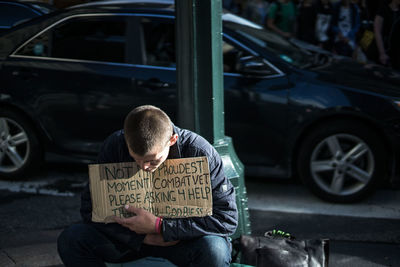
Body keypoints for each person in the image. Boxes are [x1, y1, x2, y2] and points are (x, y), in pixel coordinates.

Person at [57, 105, 238, 267]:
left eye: (152, 160)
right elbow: (90, 209)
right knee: (72, 239)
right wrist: (142, 236)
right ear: (126, 140)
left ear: (172, 140)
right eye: (136, 158)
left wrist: (161, 227)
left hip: (184, 242)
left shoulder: (200, 151)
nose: (143, 167)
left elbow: (227, 219)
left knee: (215, 251)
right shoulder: (114, 145)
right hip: (129, 241)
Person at [373, 0, 400, 69]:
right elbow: (377, 31)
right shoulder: (383, 9)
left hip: (396, 52)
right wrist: (382, 53)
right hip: (383, 49)